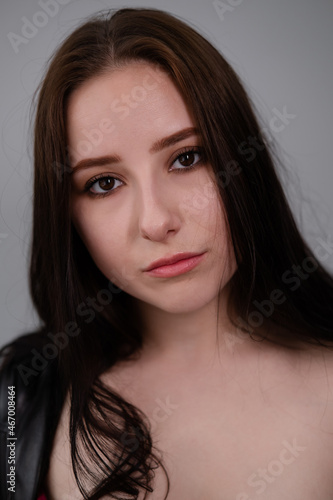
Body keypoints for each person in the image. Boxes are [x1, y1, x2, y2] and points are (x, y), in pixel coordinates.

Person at [1, 6, 333, 500]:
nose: (156, 221)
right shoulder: (18, 395)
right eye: (104, 183)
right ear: (66, 215)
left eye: (187, 158)